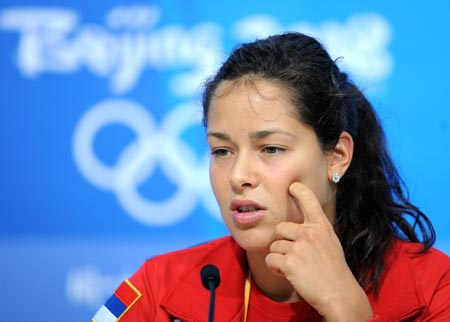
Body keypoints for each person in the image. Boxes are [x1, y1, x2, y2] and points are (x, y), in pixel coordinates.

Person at [92, 32, 450, 322]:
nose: (239, 176)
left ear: (337, 156)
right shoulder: (161, 289)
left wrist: (347, 311)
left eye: (271, 149)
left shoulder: (434, 286)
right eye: (222, 151)